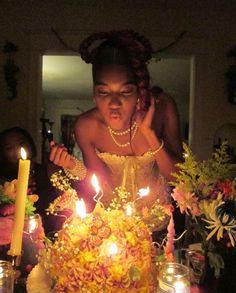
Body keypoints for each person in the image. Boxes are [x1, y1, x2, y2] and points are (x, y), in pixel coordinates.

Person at [49, 30, 183, 234]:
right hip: (111, 228)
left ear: (139, 90)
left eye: (125, 91)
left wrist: (149, 134)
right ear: (94, 93)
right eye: (103, 92)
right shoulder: (86, 125)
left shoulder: (163, 108)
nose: (113, 103)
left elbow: (178, 178)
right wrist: (71, 165)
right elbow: (98, 180)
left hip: (158, 227)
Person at [0, 127, 58, 234]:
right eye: (9, 148)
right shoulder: (3, 183)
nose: (17, 150)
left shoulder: (48, 172)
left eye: (21, 143)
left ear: (30, 144)